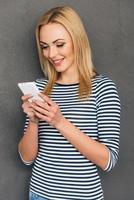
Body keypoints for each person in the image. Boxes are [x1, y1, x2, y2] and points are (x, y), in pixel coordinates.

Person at [18, 6, 121, 200]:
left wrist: (59, 122)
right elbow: (26, 158)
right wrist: (33, 121)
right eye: (45, 46)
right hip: (38, 194)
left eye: (59, 44)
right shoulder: (41, 88)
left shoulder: (102, 88)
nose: (51, 54)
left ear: (77, 41)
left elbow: (109, 160)